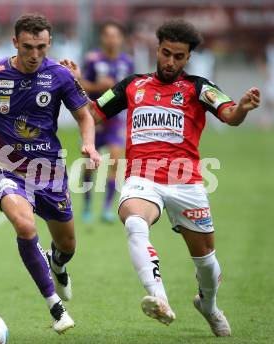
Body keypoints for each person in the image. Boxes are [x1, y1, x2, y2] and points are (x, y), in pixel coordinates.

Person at [61, 19, 260, 337]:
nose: (170, 61)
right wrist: (73, 85)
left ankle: (208, 305)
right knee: (135, 222)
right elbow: (92, 113)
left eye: (178, 56)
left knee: (206, 262)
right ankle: (160, 298)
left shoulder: (198, 87)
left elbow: (230, 115)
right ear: (157, 49)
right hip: (143, 178)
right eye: (166, 53)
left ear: (188, 58)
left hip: (187, 182)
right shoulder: (133, 85)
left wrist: (244, 109)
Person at [0, 14, 100, 334]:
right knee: (25, 226)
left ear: (49, 44)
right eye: (28, 47)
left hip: (50, 171)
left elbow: (85, 115)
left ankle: (56, 263)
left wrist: (89, 145)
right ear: (15, 42)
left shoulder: (60, 75)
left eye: (41, 47)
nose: (34, 54)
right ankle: (56, 308)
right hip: (5, 167)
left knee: (67, 245)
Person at [80, 21, 134, 223]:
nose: (112, 39)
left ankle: (106, 208)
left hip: (116, 119)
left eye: (115, 35)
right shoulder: (93, 59)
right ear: (103, 38)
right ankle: (86, 205)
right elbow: (80, 83)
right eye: (108, 35)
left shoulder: (127, 62)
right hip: (94, 118)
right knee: (90, 164)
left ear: (121, 39)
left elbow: (133, 88)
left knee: (116, 159)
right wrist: (97, 85)